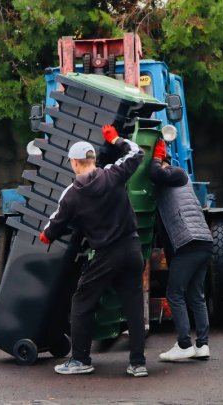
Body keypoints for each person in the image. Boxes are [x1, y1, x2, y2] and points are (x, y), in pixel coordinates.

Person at [39, 125, 148, 377]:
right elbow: (137, 152)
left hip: (106, 255)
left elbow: (53, 226)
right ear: (93, 160)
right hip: (132, 248)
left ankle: (80, 359)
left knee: (82, 301)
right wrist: (116, 139)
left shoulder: (72, 194)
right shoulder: (113, 174)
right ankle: (138, 363)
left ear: (75, 164)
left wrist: (46, 236)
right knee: (133, 305)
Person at [148, 139, 213, 361]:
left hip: (188, 243)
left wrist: (156, 158)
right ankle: (202, 345)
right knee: (196, 295)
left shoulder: (176, 173)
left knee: (174, 293)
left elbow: (156, 173)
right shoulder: (173, 182)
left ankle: (184, 344)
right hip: (201, 242)